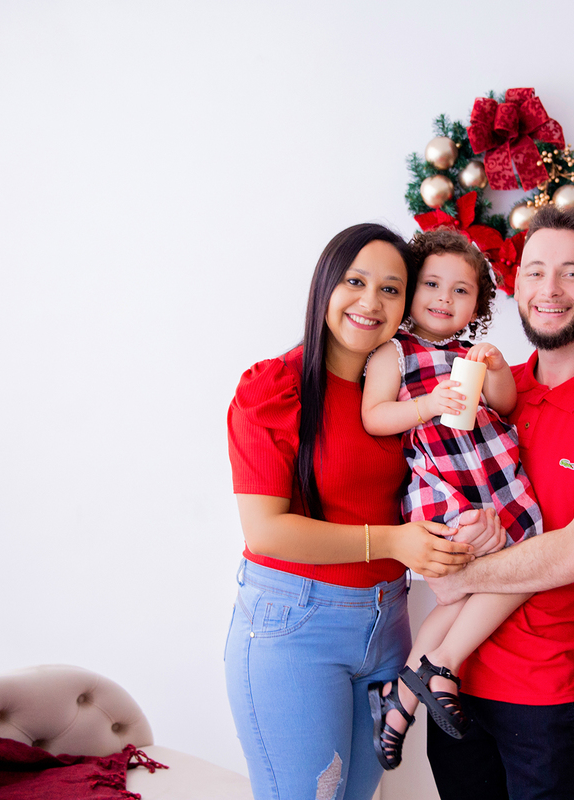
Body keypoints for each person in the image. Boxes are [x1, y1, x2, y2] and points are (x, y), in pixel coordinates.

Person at [223, 223, 491, 800]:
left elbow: (449, 479)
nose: (371, 302)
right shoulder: (275, 387)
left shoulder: (409, 391)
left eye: (392, 289)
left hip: (388, 629)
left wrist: (478, 522)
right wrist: (394, 542)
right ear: (325, 286)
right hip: (295, 627)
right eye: (355, 281)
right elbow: (264, 531)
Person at [424, 207, 574, 800]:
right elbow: (429, 473)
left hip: (544, 699)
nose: (549, 290)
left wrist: (461, 577)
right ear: (515, 285)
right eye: (534, 272)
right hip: (451, 683)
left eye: (571, 274)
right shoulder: (487, 391)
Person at [358, 228, 543, 770]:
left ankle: (400, 701)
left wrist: (500, 372)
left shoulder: (473, 354)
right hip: (442, 485)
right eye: (433, 284)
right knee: (489, 579)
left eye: (462, 291)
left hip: (495, 477)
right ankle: (441, 666)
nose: (445, 298)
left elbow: (504, 407)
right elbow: (374, 417)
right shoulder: (394, 352)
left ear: (478, 306)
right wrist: (427, 404)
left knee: (513, 569)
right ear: (412, 291)